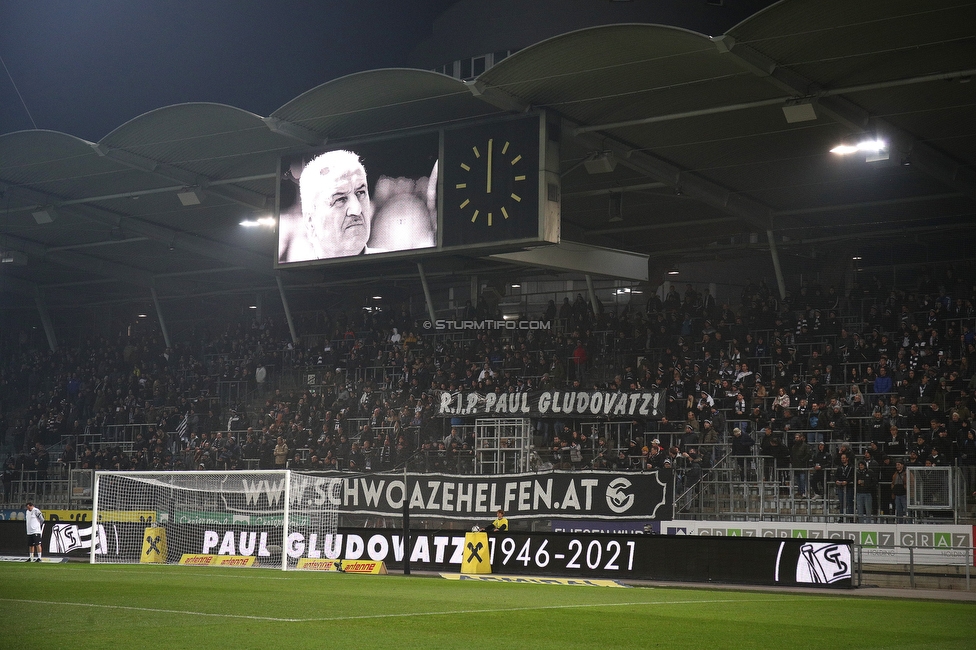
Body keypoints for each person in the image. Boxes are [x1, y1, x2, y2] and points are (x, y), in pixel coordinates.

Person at [300, 150, 375, 259]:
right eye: (340, 199)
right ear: (310, 222)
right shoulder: (297, 275)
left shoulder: (395, 267)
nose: (356, 209)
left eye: (360, 193)